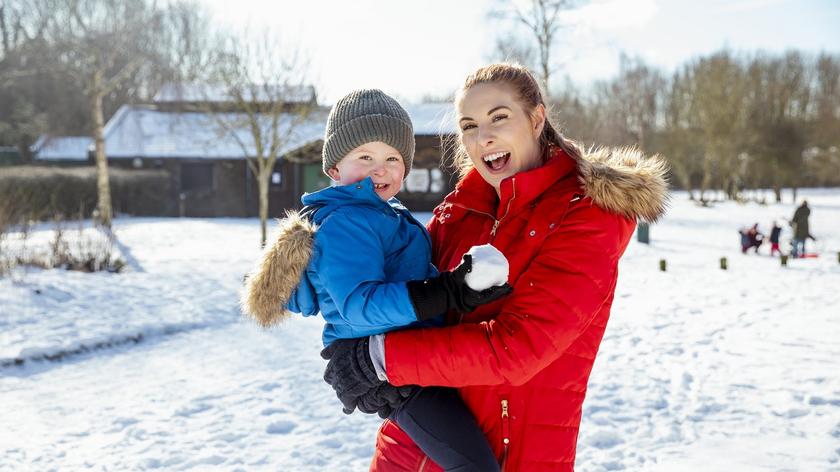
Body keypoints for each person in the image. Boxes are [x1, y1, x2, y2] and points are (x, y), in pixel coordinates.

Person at [320, 64, 670, 471]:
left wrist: (380, 360)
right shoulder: (461, 210)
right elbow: (384, 287)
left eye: (498, 117)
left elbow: (519, 348)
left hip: (510, 458)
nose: (482, 137)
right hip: (406, 452)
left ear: (537, 118)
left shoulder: (589, 215)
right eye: (469, 125)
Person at [241, 89, 512, 472]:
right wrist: (446, 293)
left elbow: (411, 272)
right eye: (365, 157)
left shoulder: (385, 212)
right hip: (380, 361)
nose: (380, 169)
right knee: (473, 465)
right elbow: (359, 306)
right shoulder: (346, 222)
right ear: (335, 167)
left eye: (392, 158)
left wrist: (464, 291)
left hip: (407, 349)